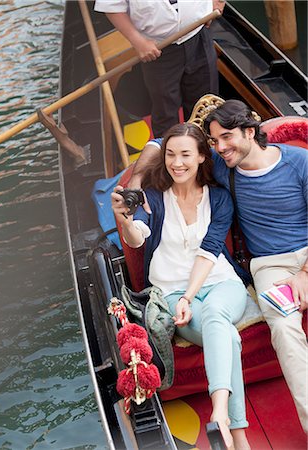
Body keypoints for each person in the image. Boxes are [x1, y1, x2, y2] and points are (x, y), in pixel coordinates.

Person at [131, 98, 308, 434]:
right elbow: (161, 146)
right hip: (271, 267)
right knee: (284, 329)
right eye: (214, 141)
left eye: (227, 137)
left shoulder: (299, 162)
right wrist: (136, 186)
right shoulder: (224, 166)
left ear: (251, 131)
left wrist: (305, 274)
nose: (221, 147)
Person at [112, 123, 251, 450]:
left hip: (221, 284)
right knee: (227, 334)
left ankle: (219, 413)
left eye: (186, 155)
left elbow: (211, 248)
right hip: (171, 292)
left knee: (217, 313)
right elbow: (138, 239)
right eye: (171, 155)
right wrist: (126, 221)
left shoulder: (219, 198)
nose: (177, 163)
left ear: (202, 157)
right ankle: (238, 435)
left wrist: (190, 295)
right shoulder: (154, 199)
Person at [94, 0, 224, 137]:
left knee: (206, 105)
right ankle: (170, 153)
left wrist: (219, 1)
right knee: (165, 110)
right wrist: (138, 41)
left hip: (199, 33)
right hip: (157, 49)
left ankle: (207, 149)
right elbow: (111, 6)